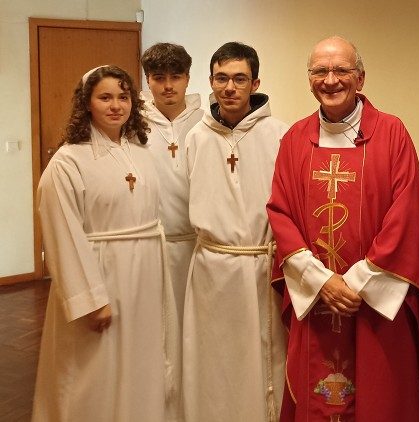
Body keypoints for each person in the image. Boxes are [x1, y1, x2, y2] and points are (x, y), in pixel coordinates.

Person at [266, 36, 419, 421]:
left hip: (376, 304)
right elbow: (280, 213)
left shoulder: (392, 133)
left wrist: (356, 282)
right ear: (309, 79)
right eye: (320, 71)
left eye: (341, 70)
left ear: (360, 78)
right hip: (318, 299)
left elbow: (407, 214)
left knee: (380, 398)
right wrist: (321, 282)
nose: (330, 80)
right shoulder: (295, 139)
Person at [33, 65, 174, 422]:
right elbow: (62, 233)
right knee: (95, 369)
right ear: (87, 104)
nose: (116, 106)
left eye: (123, 97)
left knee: (140, 361)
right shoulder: (68, 161)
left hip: (144, 276)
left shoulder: (140, 150)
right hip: (101, 276)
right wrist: (91, 300)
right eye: (105, 97)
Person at [182, 41, 289, 422]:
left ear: (255, 83)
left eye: (239, 79)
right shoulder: (195, 137)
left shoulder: (280, 135)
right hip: (211, 268)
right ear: (210, 82)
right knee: (214, 358)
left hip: (261, 266)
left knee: (261, 356)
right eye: (221, 78)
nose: (229, 87)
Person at [141, 43, 204, 324]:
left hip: (198, 246)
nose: (168, 86)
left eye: (175, 77)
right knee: (157, 324)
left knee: (194, 323)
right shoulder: (133, 126)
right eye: (159, 78)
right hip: (153, 244)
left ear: (188, 78)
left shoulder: (207, 121)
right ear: (148, 80)